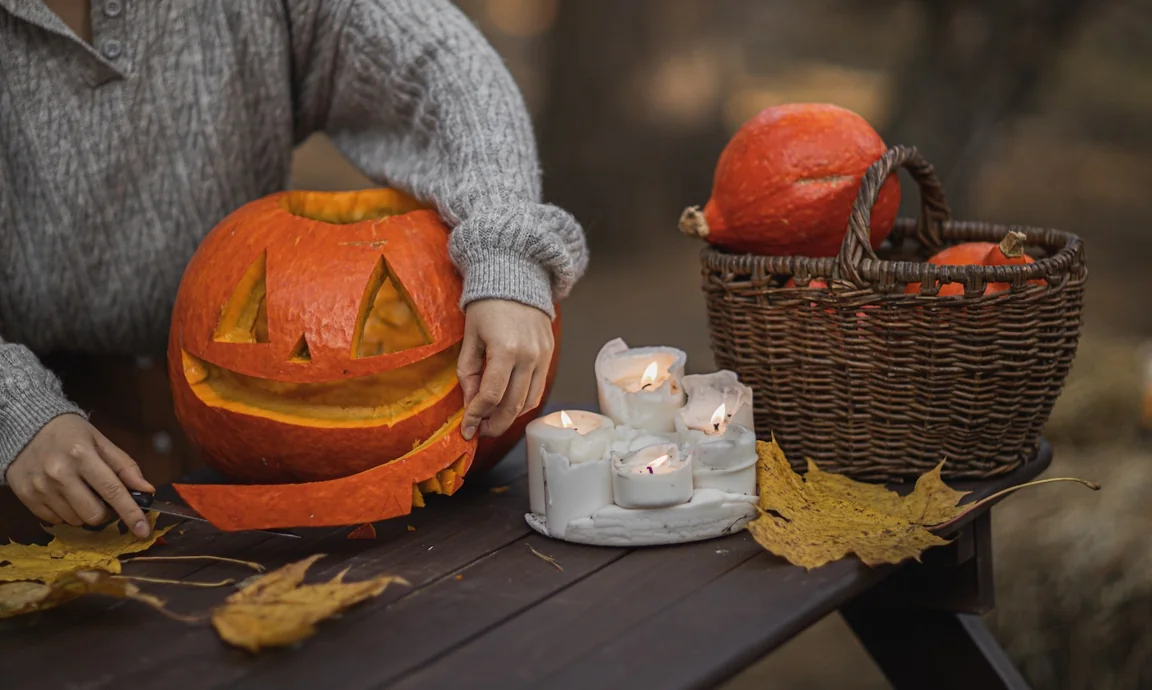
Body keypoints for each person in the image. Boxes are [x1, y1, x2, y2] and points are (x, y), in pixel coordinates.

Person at [0, 0, 588, 538]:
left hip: (223, 446)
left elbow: (438, 62)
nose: (313, 353)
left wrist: (506, 246)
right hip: (32, 458)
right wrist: (13, 407)